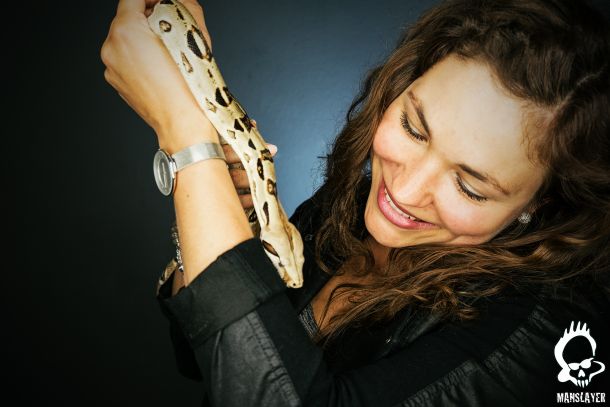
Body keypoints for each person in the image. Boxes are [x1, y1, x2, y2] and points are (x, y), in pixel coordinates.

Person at [101, 0, 610, 405]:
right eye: (413, 128)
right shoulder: (351, 208)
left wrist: (188, 139)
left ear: (539, 202)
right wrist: (222, 208)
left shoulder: (549, 338)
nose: (404, 193)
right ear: (403, 85)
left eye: (470, 187)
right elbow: (207, 355)